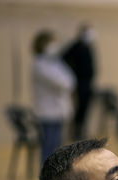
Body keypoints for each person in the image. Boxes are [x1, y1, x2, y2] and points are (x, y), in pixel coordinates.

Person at [31, 30, 75, 165]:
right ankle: (46, 173)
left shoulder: (55, 62)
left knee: (57, 145)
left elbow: (71, 80)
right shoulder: (39, 64)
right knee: (48, 145)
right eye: (51, 42)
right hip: (47, 112)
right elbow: (62, 83)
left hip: (58, 111)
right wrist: (65, 82)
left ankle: (55, 174)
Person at [62, 23, 97, 141]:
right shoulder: (75, 46)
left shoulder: (89, 47)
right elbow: (64, 58)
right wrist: (73, 74)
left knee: (85, 108)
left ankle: (82, 130)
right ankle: (76, 132)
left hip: (88, 83)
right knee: (79, 108)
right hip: (80, 83)